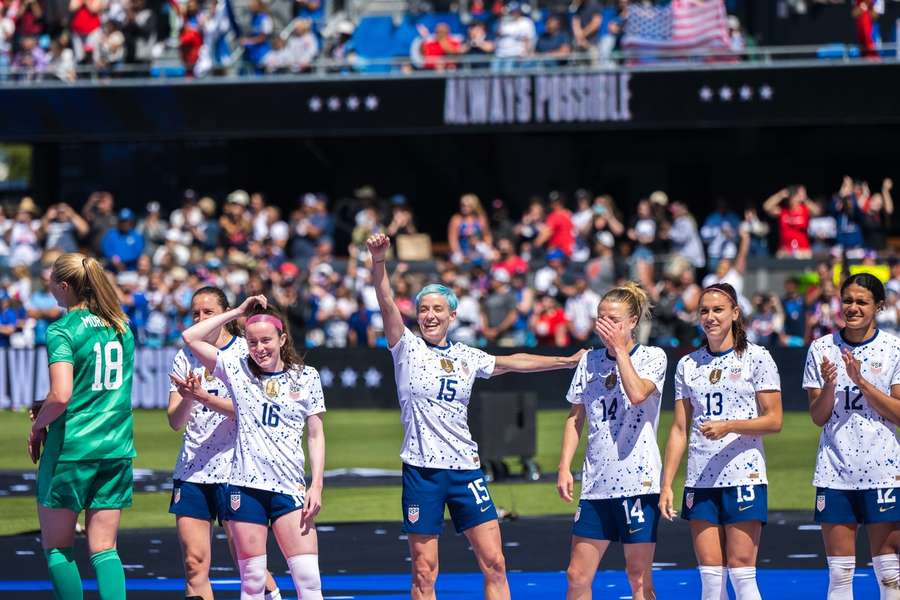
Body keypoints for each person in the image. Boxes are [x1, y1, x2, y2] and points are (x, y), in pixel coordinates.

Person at [366, 233, 583, 600]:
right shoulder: (406, 347)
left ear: (453, 315)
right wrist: (378, 261)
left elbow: (514, 362)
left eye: (438, 310)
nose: (430, 316)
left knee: (495, 562)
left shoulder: (468, 356)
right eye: (424, 309)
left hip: (465, 469)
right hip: (422, 472)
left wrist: (564, 361)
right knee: (424, 571)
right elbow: (386, 301)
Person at [181, 296, 325, 600]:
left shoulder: (307, 377)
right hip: (245, 488)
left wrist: (317, 484)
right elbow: (190, 336)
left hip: (290, 488)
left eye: (266, 341)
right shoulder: (237, 369)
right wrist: (236, 313)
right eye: (252, 341)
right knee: (253, 581)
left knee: (309, 581)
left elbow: (315, 435)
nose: (259, 348)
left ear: (283, 338)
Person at [659, 282, 783, 600]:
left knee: (742, 573)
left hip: (743, 475)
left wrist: (730, 425)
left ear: (735, 313)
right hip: (700, 479)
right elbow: (678, 429)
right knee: (711, 580)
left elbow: (773, 420)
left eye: (718, 310)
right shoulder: (688, 365)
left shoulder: (756, 357)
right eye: (704, 311)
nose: (710, 317)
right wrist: (667, 484)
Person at [29, 253, 136, 600]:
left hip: (72, 450)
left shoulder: (62, 329)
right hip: (116, 447)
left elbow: (62, 396)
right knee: (105, 549)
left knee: (58, 549)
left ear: (64, 286)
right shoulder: (122, 326)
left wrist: (36, 426)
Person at [167, 286, 282, 600]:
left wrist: (205, 397)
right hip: (192, 472)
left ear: (226, 315)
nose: (200, 318)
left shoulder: (248, 351)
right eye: (195, 313)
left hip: (238, 470)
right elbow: (175, 421)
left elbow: (253, 410)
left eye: (208, 312)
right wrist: (190, 399)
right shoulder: (184, 357)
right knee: (194, 564)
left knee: (249, 564)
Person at [558, 283, 667, 600]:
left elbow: (636, 394)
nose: (606, 325)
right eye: (601, 318)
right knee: (577, 576)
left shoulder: (651, 357)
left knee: (638, 578)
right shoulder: (589, 361)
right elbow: (575, 416)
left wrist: (620, 350)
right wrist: (565, 466)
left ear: (632, 321)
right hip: (596, 483)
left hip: (638, 481)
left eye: (614, 319)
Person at [802, 273, 900, 600]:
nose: (853, 308)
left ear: (878, 307)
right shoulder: (822, 348)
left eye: (862, 302)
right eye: (848, 300)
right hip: (835, 470)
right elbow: (818, 417)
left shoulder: (893, 349)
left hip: (883, 471)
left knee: (890, 574)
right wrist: (830, 386)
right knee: (840, 574)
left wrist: (862, 382)